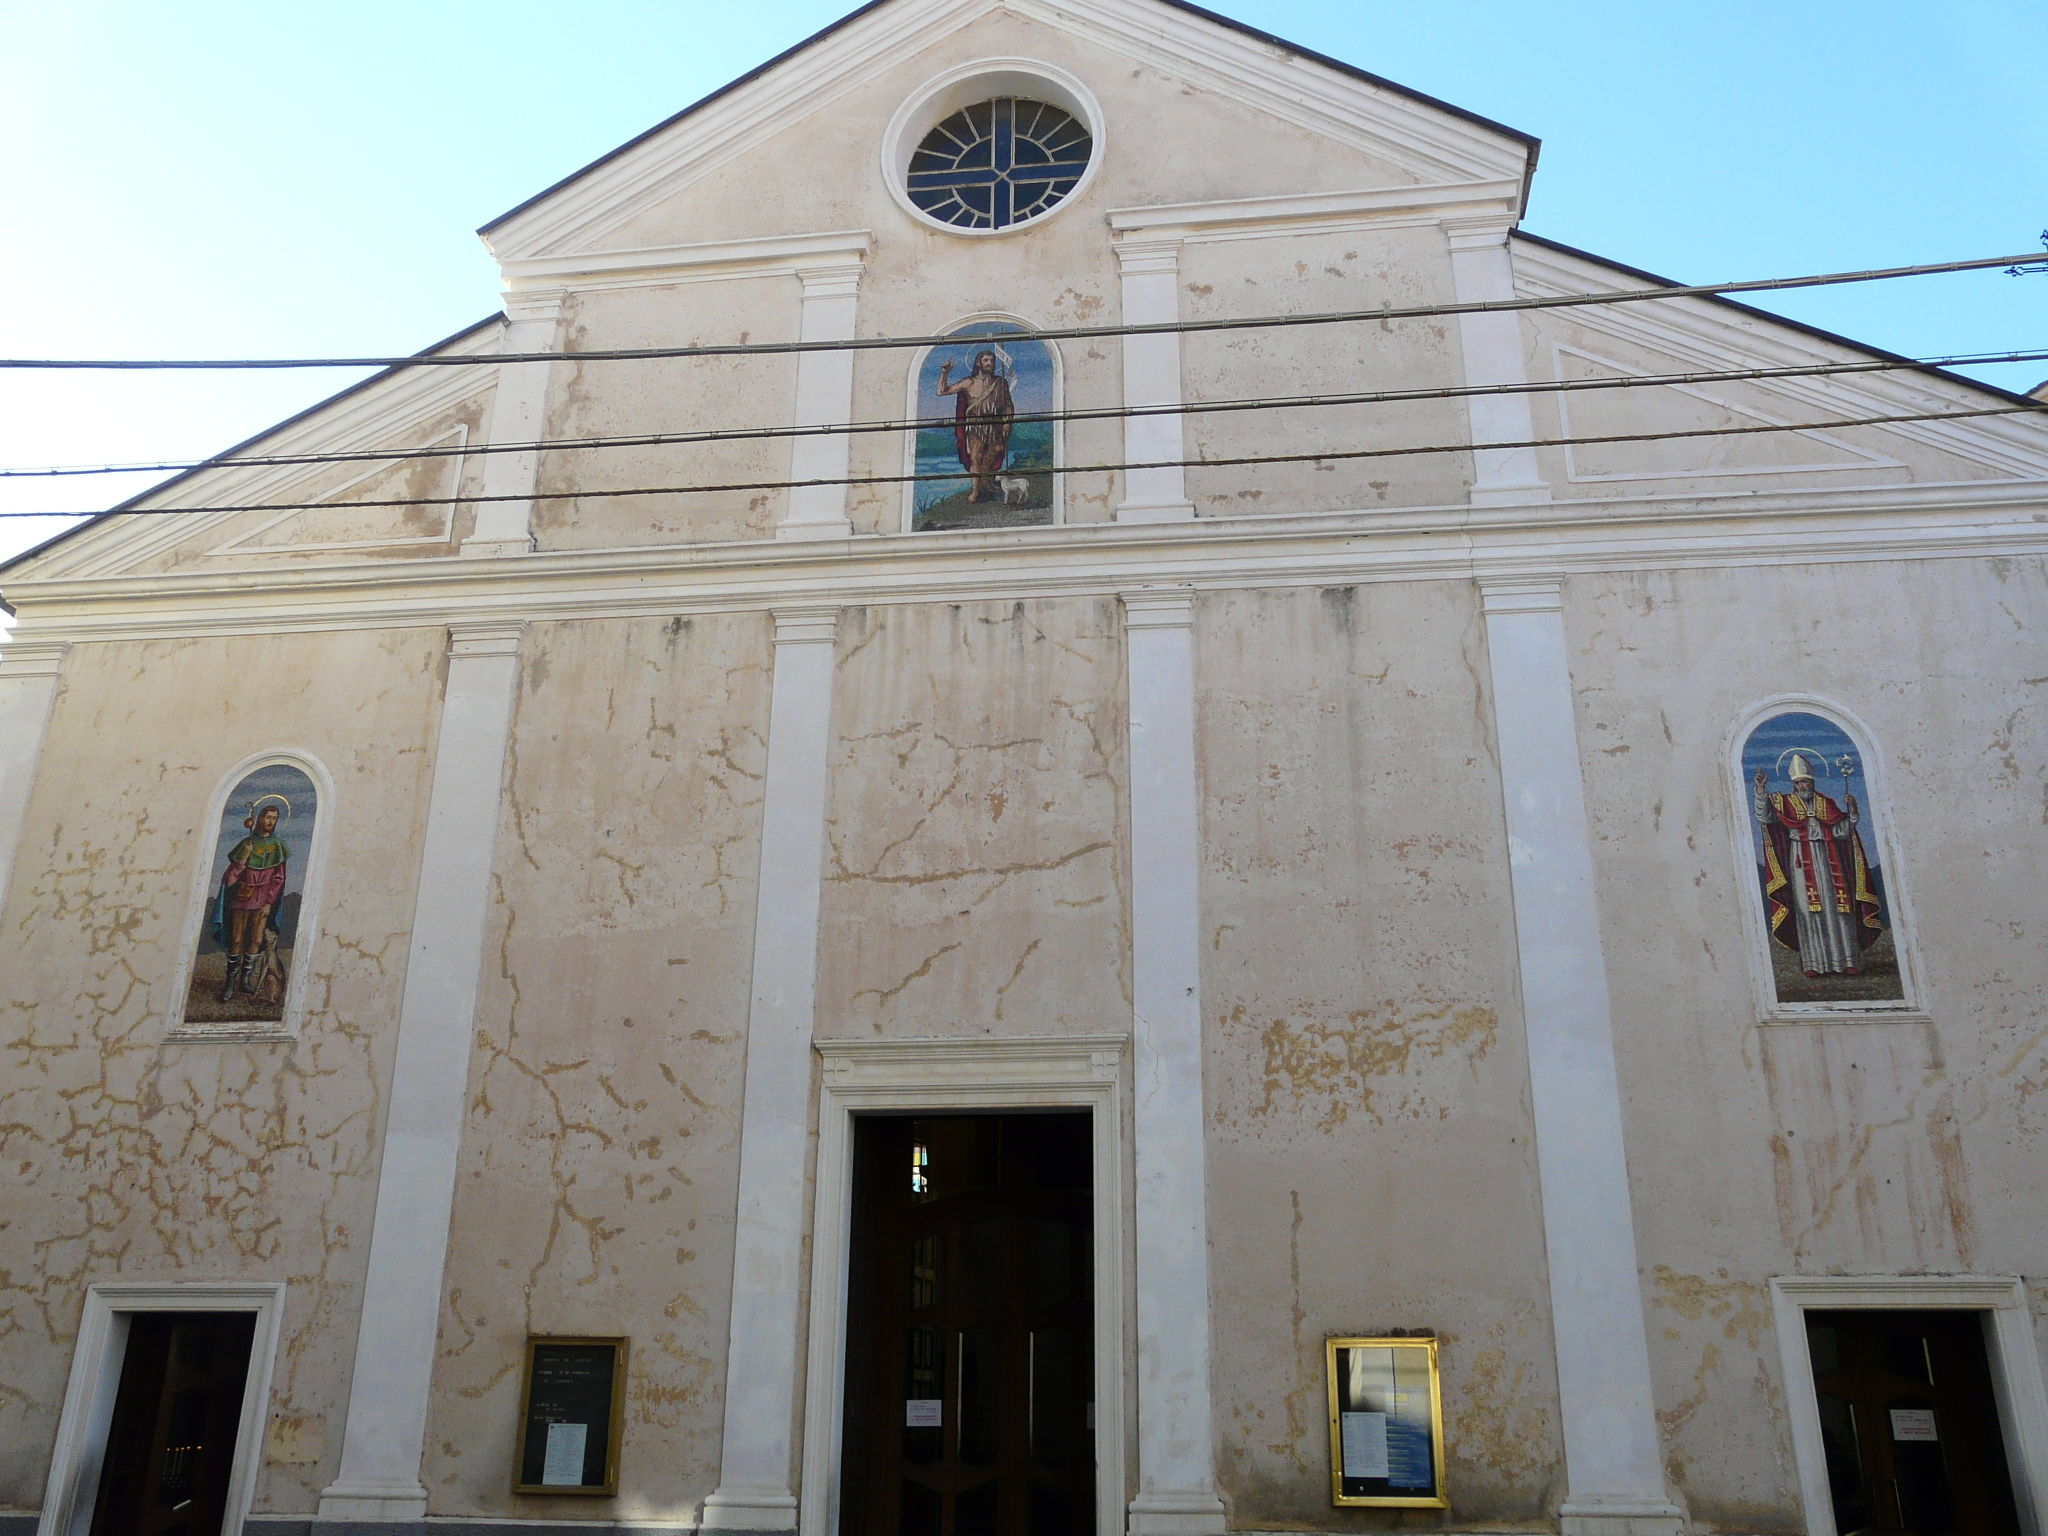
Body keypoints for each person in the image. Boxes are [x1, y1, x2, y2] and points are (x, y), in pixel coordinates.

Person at [1752, 755, 1883, 977]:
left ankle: (1846, 961)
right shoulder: (1784, 803)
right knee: (1807, 911)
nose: (1804, 786)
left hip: (1829, 859)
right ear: (1794, 784)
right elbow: (1764, 816)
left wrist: (1851, 812)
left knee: (1838, 908)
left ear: (1813, 782)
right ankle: (1814, 963)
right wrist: (1761, 791)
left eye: (1807, 782)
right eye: (1800, 782)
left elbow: (1841, 831)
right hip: (1800, 862)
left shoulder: (1826, 803)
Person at [214, 799, 290, 1001]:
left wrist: (268, 902)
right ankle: (230, 982)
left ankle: (245, 980)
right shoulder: (246, 844)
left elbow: (279, 878)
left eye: (274, 818)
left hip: (263, 900)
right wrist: (243, 859)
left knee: (256, 940)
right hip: (241, 899)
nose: (270, 821)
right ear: (259, 819)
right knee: (237, 939)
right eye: (267, 817)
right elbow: (229, 879)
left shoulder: (278, 846)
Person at [936, 348, 1015, 503]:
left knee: (996, 451)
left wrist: (1007, 423)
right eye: (986, 360)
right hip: (975, 426)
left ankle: (986, 481)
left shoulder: (1000, 382)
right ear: (979, 362)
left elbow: (1008, 406)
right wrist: (945, 373)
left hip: (995, 425)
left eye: (992, 361)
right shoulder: (969, 382)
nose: (989, 363)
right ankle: (975, 491)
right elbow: (941, 391)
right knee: (976, 456)